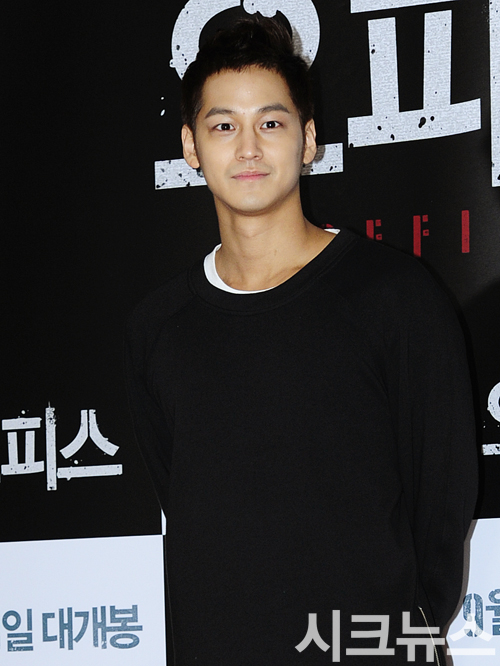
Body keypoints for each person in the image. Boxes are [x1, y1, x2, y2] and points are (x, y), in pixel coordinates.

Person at [125, 16, 477, 665]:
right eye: (223, 126)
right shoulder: (159, 328)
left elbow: (441, 504)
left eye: (271, 122)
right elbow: (182, 499)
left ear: (309, 139)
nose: (248, 148)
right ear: (190, 146)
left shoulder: (394, 297)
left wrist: (402, 641)